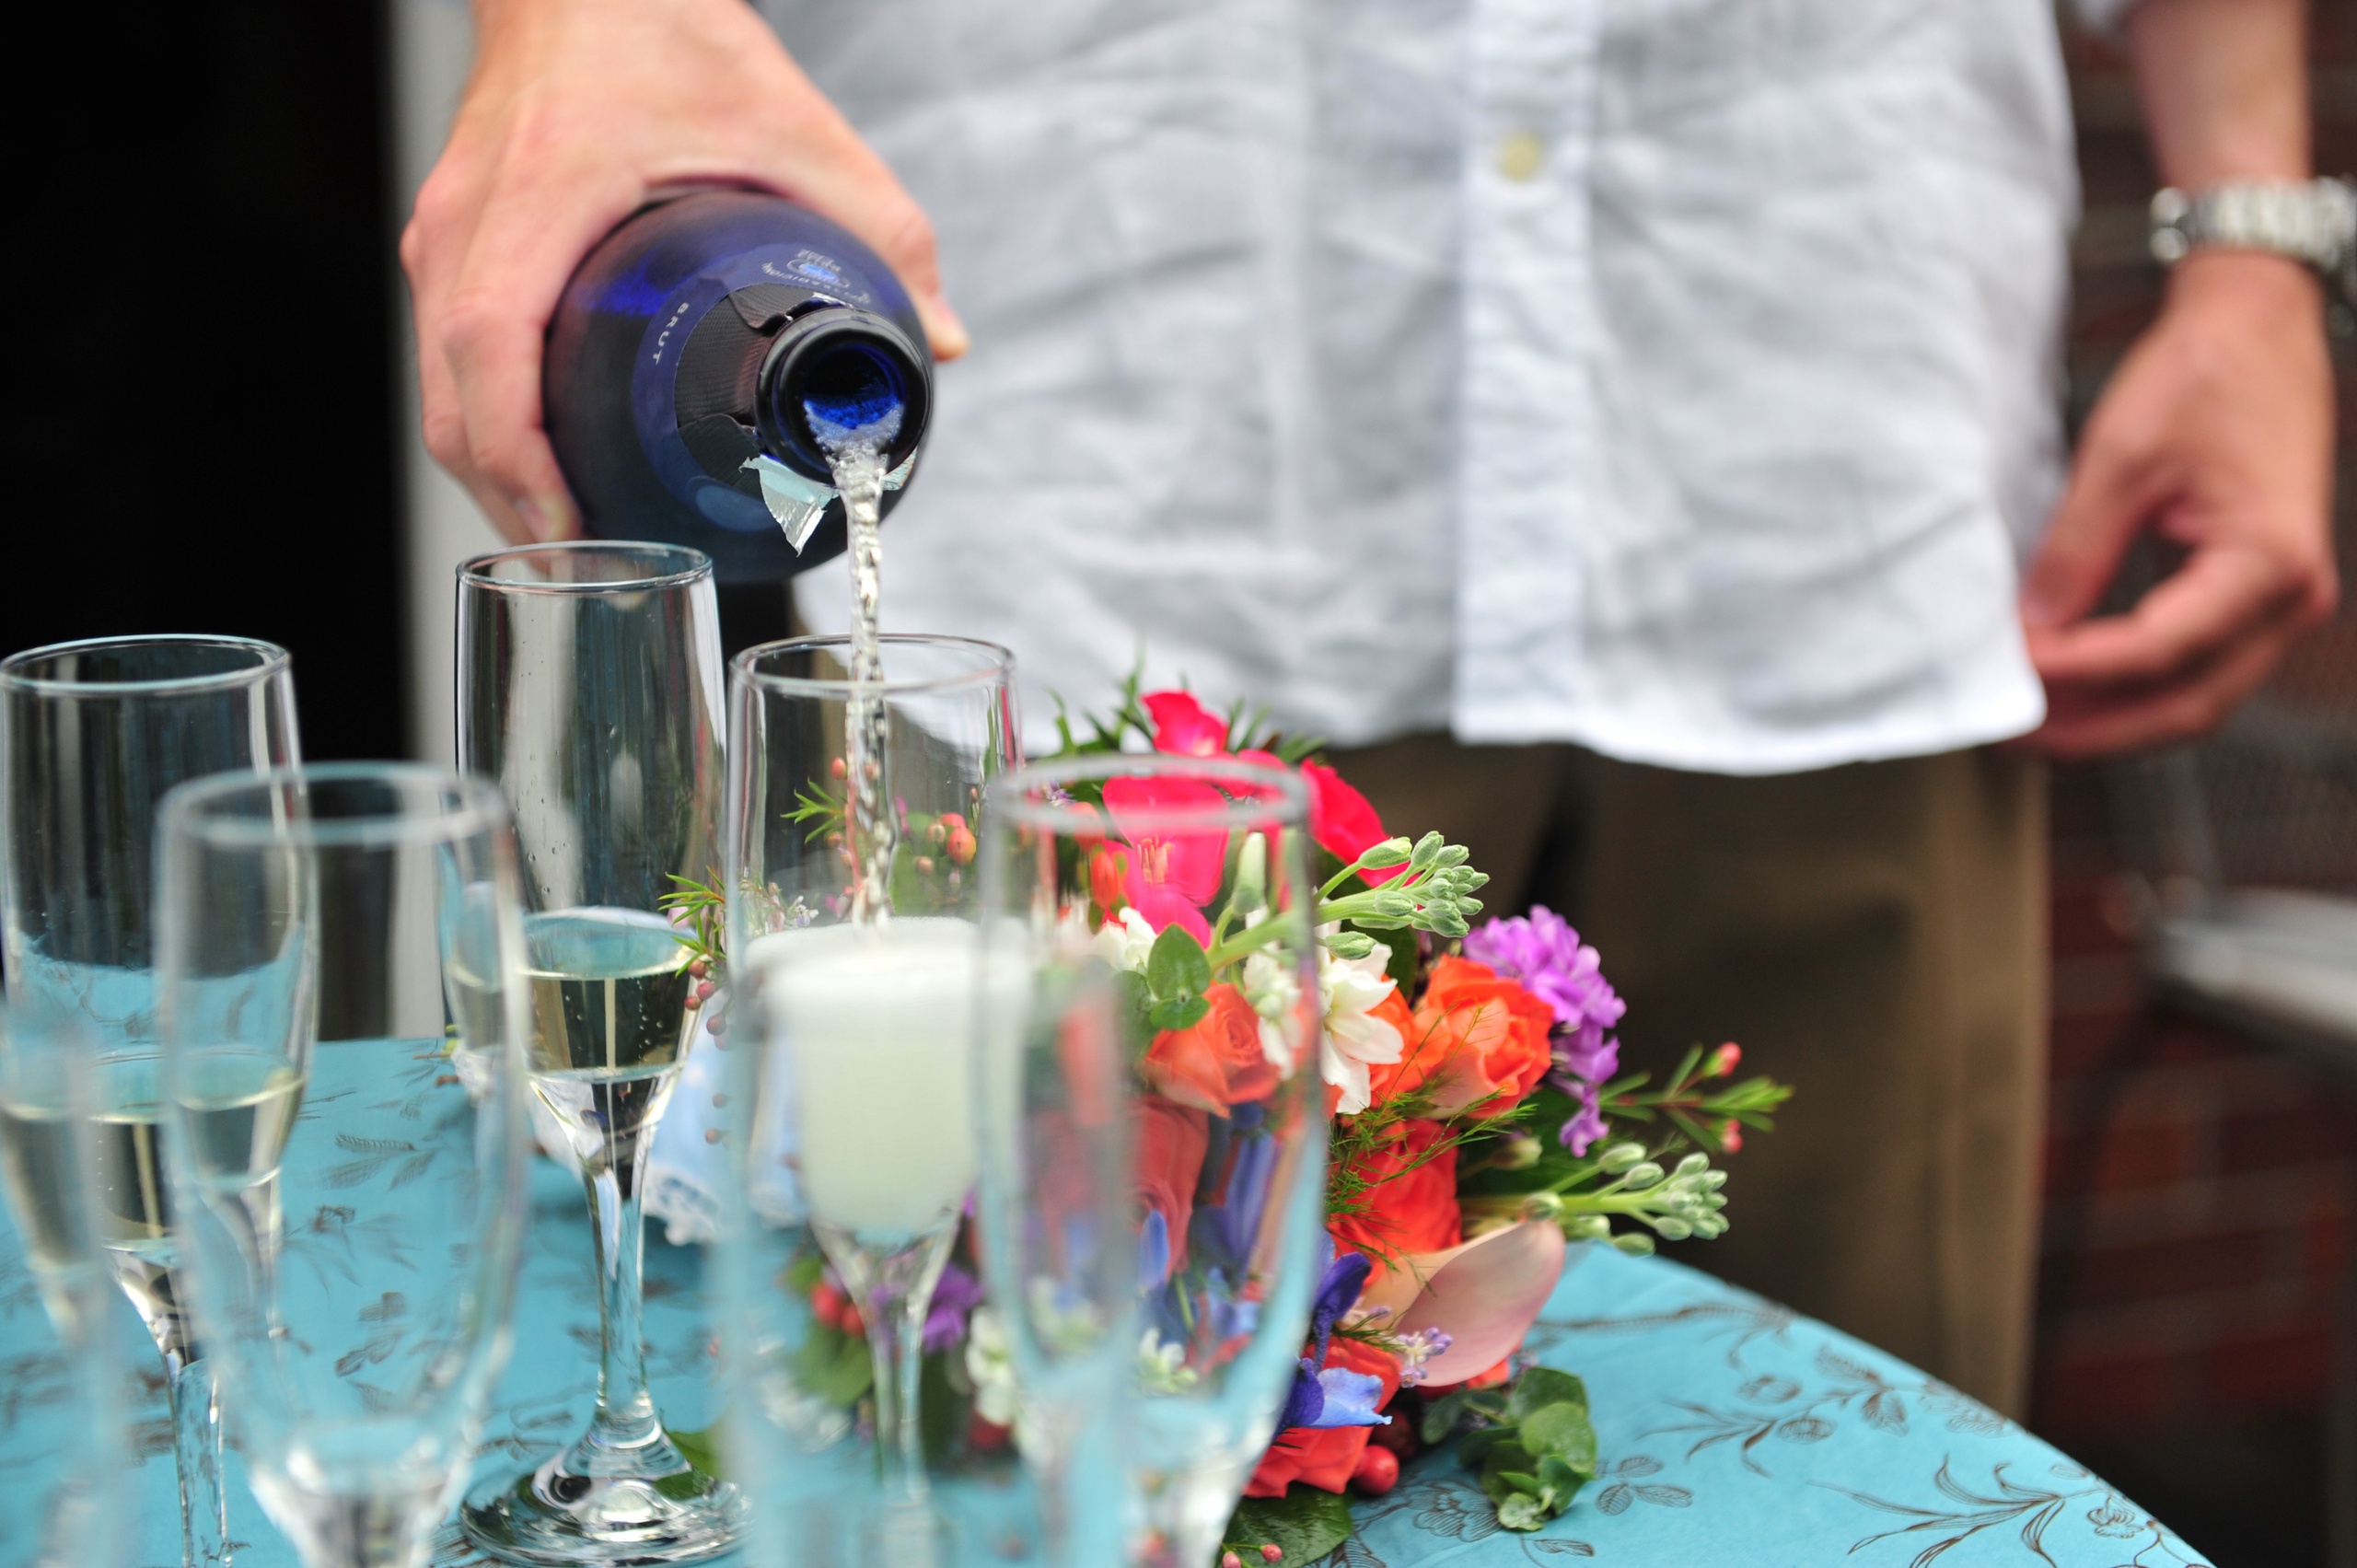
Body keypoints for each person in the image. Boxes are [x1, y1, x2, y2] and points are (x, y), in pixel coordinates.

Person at [402, 0, 2337, 1416]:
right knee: (1036, 1442)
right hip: (1128, 476)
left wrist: (2249, 231)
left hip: (1812, 455)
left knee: (1863, 1457)